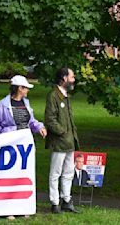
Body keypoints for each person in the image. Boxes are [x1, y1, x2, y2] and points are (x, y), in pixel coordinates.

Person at [0, 75, 47, 220]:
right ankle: (8, 208)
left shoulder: (26, 103)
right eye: (26, 88)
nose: (27, 90)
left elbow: (31, 121)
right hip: (10, 146)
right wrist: (5, 137)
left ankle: (23, 206)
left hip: (24, 146)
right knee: (9, 177)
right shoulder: (3, 105)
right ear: (19, 89)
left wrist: (39, 127)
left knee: (24, 176)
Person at [45, 67, 80, 214]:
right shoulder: (54, 96)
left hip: (70, 142)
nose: (73, 80)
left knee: (68, 173)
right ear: (64, 78)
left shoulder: (65, 95)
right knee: (55, 173)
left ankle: (66, 200)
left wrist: (70, 135)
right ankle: (54, 202)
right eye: (72, 77)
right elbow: (50, 119)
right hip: (60, 142)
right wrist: (63, 132)